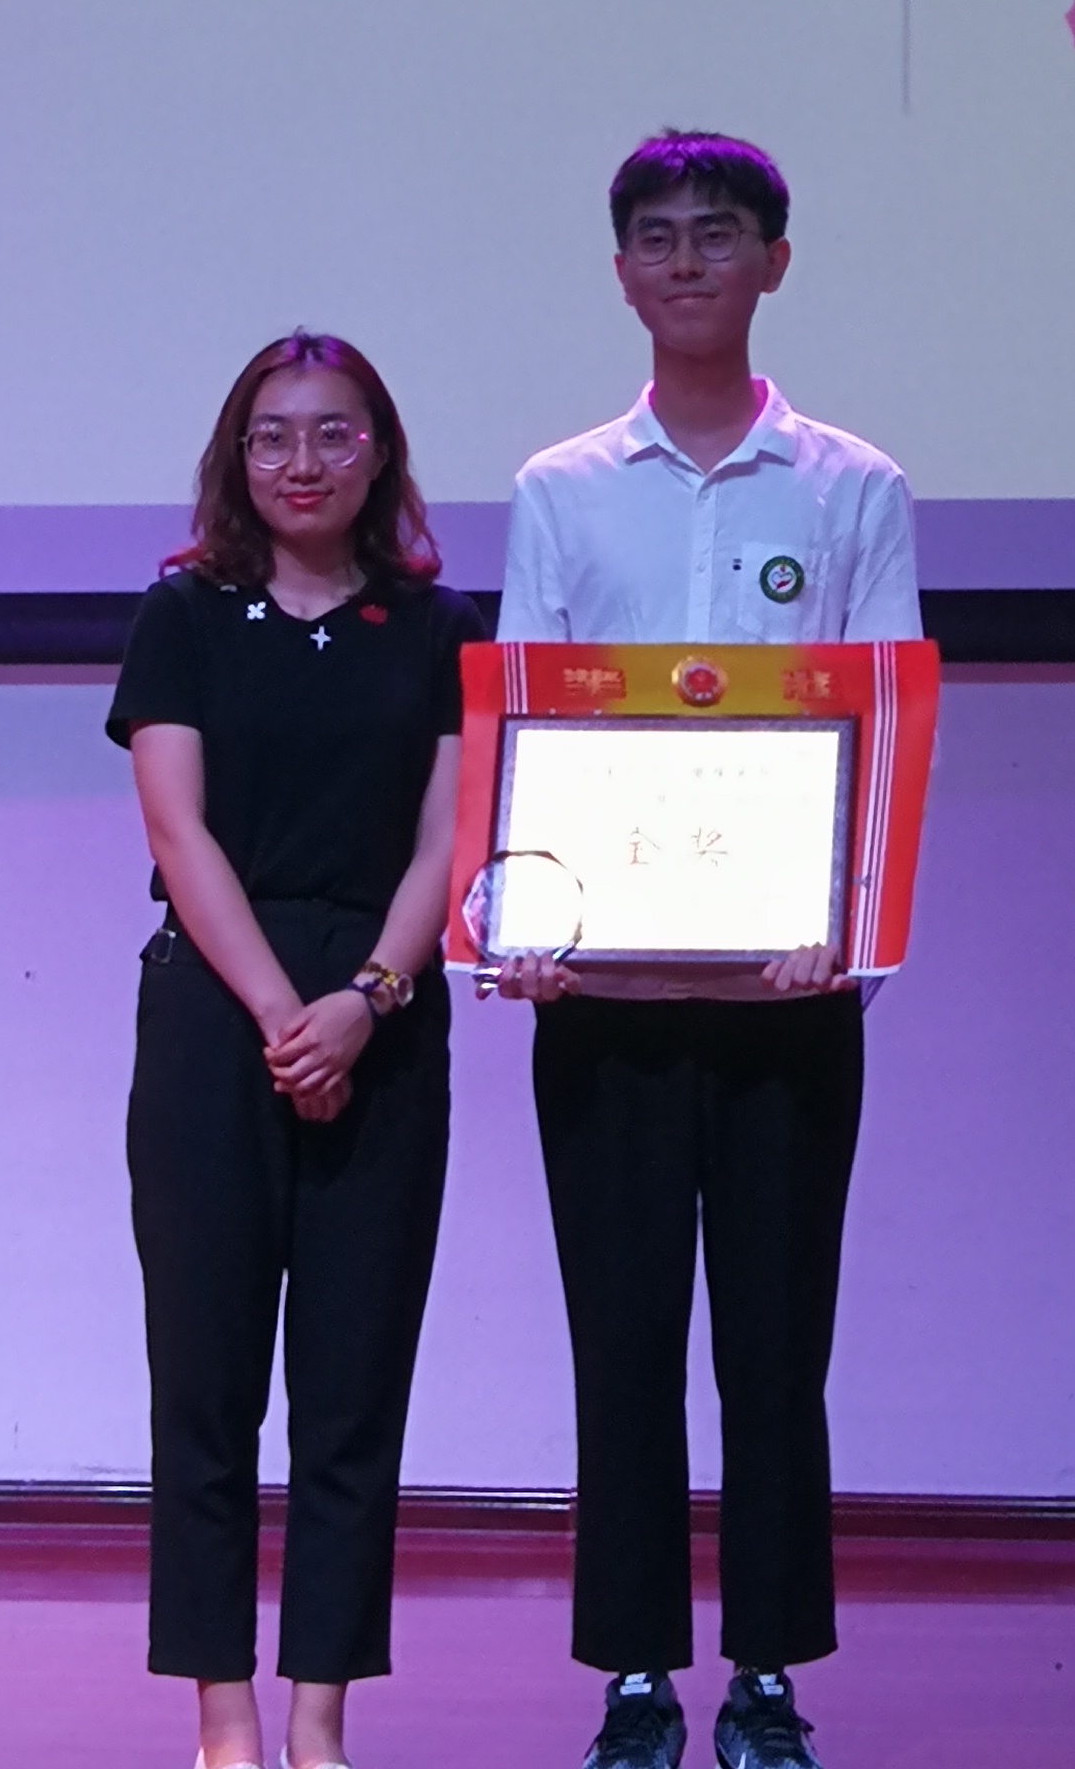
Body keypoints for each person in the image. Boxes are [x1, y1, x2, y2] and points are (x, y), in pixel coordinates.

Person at [493, 133, 920, 1769]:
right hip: (602, 1002)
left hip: (785, 1001)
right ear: (622, 275)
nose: (687, 262)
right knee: (622, 1347)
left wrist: (847, 939)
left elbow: (881, 727)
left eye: (718, 234)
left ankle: (764, 1675)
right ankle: (630, 1677)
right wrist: (526, 927)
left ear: (773, 263)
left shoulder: (853, 487)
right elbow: (526, 720)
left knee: (774, 1350)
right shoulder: (561, 489)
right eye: (659, 238)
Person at [114, 331, 483, 1769]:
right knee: (205, 1389)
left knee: (352, 1394)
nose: (303, 461)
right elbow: (177, 830)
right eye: (272, 436)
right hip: (220, 1020)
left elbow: (449, 839)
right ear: (237, 457)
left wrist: (369, 999)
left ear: (378, 454)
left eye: (334, 433)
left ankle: (320, 1720)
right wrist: (286, 1014)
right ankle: (225, 1721)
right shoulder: (185, 614)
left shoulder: (439, 627)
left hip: (383, 1016)